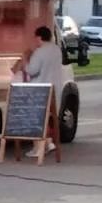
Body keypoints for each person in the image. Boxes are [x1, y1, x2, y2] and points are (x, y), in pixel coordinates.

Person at [23, 25, 63, 156]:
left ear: (39, 37)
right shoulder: (56, 50)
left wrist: (25, 61)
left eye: (35, 38)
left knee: (37, 119)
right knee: (49, 118)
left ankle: (38, 148)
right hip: (54, 88)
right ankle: (49, 142)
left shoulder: (39, 52)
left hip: (39, 90)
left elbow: (32, 71)